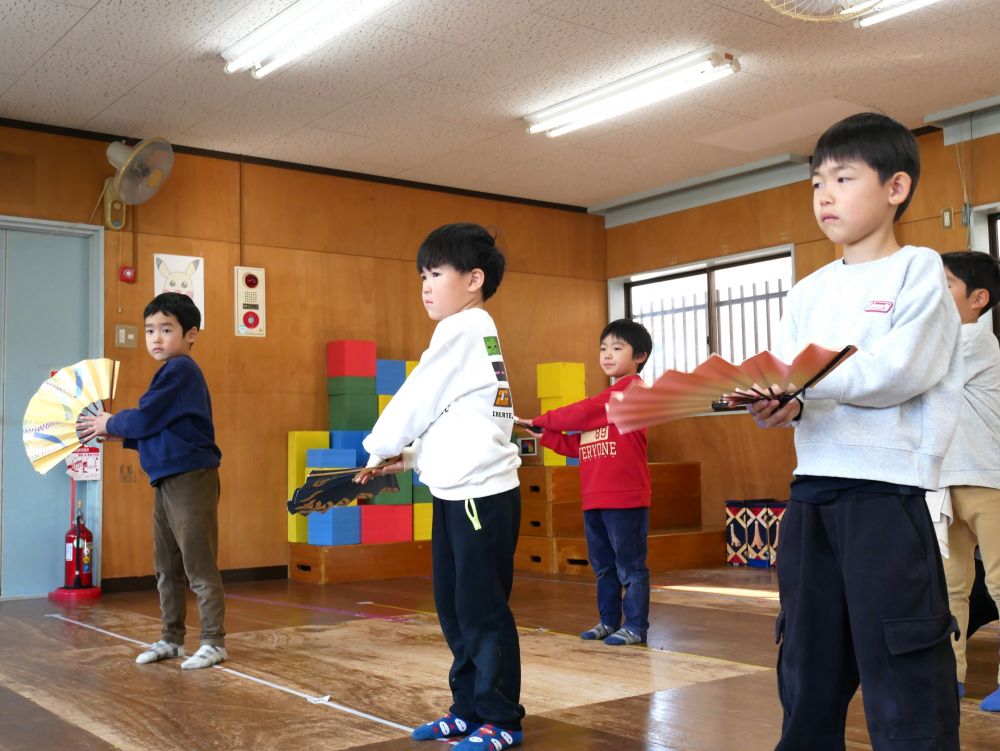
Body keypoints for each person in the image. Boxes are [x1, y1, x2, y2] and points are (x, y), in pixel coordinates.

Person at [748, 113, 963, 750]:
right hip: (811, 496)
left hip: (887, 498)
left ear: (896, 188)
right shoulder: (807, 292)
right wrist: (781, 405)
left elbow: (901, 370)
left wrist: (803, 384)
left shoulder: (920, 270)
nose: (826, 196)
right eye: (817, 183)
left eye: (844, 178)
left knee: (904, 673)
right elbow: (796, 382)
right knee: (806, 667)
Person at [356, 223, 524, 750]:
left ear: (473, 279)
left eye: (436, 274)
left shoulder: (465, 329)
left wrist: (379, 445)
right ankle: (469, 707)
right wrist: (404, 458)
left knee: (481, 608)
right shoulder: (472, 333)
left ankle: (501, 719)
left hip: (480, 495)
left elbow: (417, 396)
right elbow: (454, 420)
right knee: (454, 605)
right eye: (421, 276)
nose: (425, 286)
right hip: (457, 492)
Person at [77, 292, 225, 670]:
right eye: (149, 330)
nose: (156, 338)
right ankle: (172, 638)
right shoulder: (169, 373)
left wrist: (110, 422)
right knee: (166, 565)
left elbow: (145, 418)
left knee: (198, 564)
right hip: (166, 479)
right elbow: (160, 429)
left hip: (191, 479)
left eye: (166, 329)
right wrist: (122, 436)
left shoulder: (180, 370)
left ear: (191, 334)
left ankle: (213, 641)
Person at [515, 319, 653, 646]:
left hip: (625, 498)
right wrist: (545, 435)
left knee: (630, 568)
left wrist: (541, 419)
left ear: (640, 356)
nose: (607, 355)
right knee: (603, 566)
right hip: (595, 498)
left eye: (617, 348)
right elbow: (581, 446)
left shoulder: (633, 392)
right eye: (603, 348)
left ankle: (635, 626)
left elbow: (583, 412)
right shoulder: (604, 402)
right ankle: (608, 621)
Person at [937, 250, 1000, 710]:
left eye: (946, 285)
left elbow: (921, 369)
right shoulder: (943, 338)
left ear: (978, 298)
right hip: (944, 481)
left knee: (998, 583)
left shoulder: (977, 340)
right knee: (950, 586)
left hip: (986, 477)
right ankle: (949, 676)